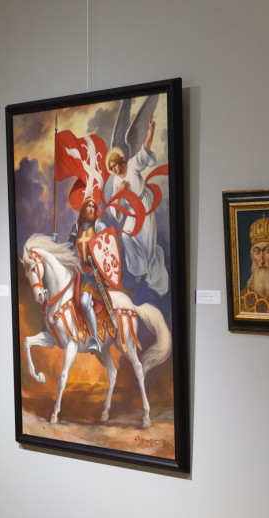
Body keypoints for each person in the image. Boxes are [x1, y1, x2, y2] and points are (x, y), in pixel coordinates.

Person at [106, 117, 169, 297]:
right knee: (126, 236)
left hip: (144, 206)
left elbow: (145, 150)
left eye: (115, 165)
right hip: (132, 211)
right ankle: (138, 270)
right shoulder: (116, 180)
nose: (114, 170)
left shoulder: (133, 165)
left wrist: (151, 131)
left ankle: (149, 271)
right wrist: (120, 192)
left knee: (147, 243)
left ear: (120, 162)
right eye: (111, 168)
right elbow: (114, 203)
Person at [68, 196, 106, 353]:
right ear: (83, 209)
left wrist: (99, 266)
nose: (91, 208)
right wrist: (56, 243)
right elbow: (69, 248)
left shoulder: (98, 226)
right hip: (79, 272)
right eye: (88, 206)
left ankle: (95, 339)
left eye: (93, 206)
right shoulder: (76, 227)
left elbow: (107, 250)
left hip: (93, 274)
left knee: (84, 301)